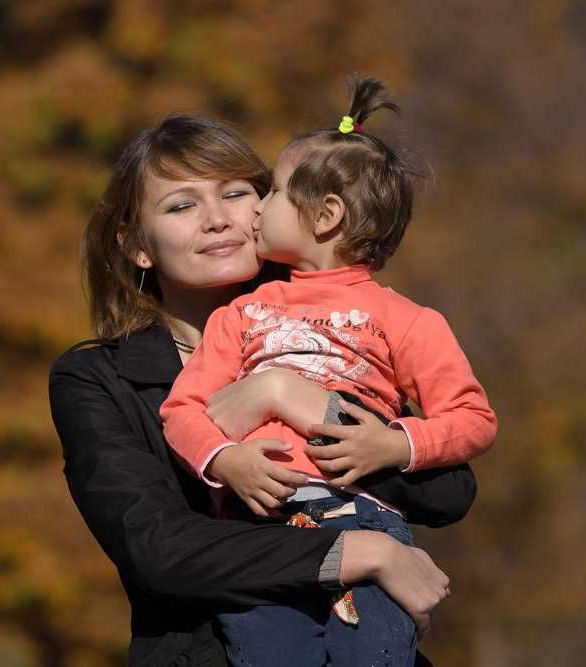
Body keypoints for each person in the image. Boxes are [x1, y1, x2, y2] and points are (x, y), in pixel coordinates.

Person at [49, 113, 476, 667]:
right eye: (182, 205)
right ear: (137, 246)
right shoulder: (98, 380)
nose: (217, 220)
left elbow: (447, 492)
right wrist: (362, 552)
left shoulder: (339, 330)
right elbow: (163, 552)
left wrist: (294, 396)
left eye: (236, 193)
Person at [159, 78, 496, 666]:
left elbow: (472, 419)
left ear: (326, 216)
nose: (256, 209)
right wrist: (226, 460)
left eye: (276, 192)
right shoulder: (241, 316)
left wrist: (393, 445)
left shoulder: (406, 320)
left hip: (366, 521)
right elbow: (182, 409)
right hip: (261, 531)